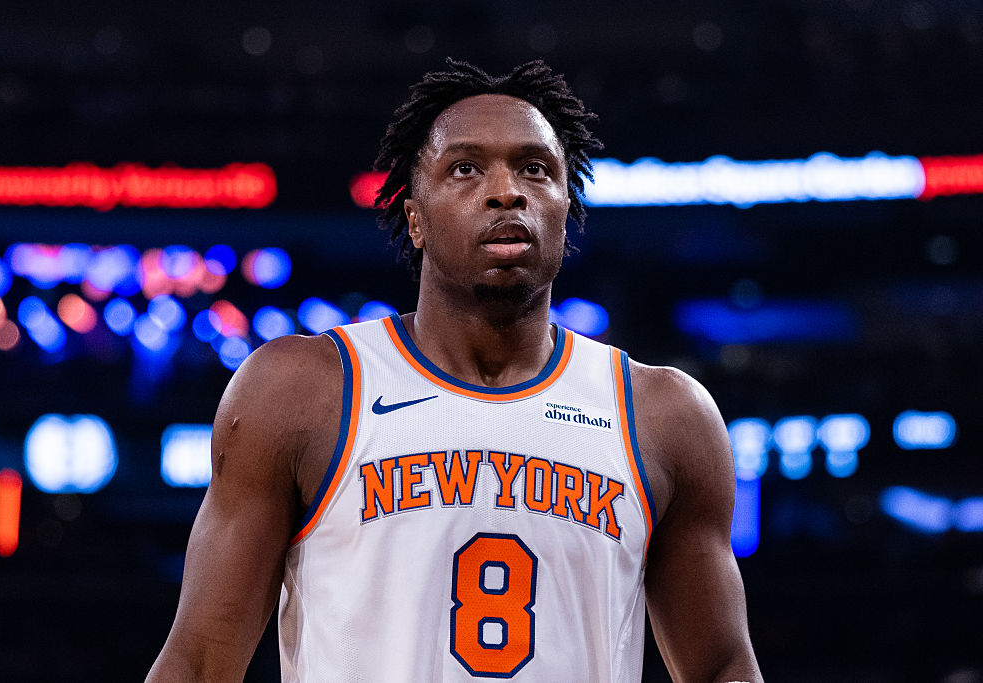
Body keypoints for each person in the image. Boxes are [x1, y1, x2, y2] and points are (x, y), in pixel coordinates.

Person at [147, 59, 762, 682]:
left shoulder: (663, 414)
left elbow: (723, 668)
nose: (506, 191)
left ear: (565, 210)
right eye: (465, 168)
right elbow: (199, 662)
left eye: (535, 169)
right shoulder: (299, 390)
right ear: (415, 216)